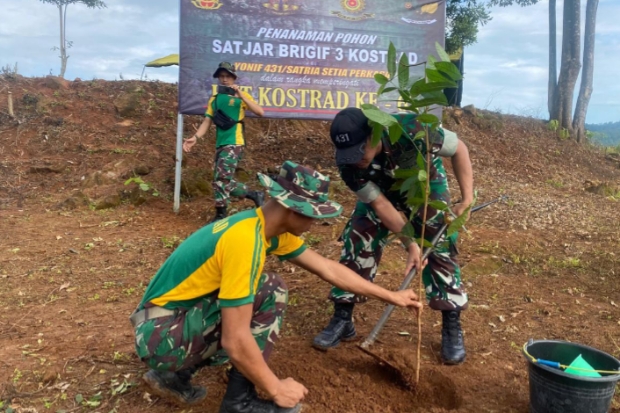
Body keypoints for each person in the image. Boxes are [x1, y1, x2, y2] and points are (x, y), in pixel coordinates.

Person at [130, 160, 423, 413]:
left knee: (264, 290)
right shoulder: (244, 241)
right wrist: (275, 388)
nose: (315, 223)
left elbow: (328, 269)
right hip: (160, 336)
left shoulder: (262, 228)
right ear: (293, 210)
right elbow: (235, 339)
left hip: (164, 323)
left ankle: (173, 378)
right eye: (314, 214)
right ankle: (239, 404)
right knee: (270, 292)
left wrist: (391, 296)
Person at [313, 107, 474, 365]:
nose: (356, 160)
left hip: (423, 188)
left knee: (438, 245)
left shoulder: (411, 129)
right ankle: (343, 318)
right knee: (359, 237)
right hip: (382, 193)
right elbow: (380, 205)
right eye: (349, 154)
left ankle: (451, 322)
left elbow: (459, 149)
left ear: (375, 133)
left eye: (359, 151)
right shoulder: (348, 164)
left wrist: (466, 198)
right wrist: (409, 243)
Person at [183, 62, 265, 223]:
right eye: (222, 76)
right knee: (220, 180)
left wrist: (241, 96)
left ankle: (221, 214)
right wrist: (195, 138)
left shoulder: (241, 96)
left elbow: (260, 112)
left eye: (228, 76)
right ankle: (254, 194)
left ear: (234, 77)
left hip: (235, 142)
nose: (225, 79)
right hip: (221, 143)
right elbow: (207, 121)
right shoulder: (214, 98)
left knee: (221, 179)